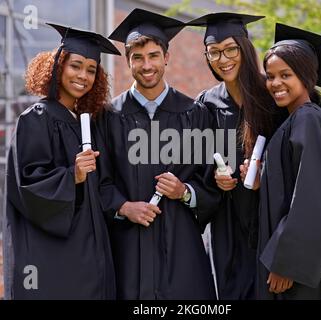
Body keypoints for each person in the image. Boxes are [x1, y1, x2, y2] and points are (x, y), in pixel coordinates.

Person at [97, 8, 218, 300]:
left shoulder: (195, 114)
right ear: (127, 62)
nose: (146, 65)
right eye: (137, 58)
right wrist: (124, 206)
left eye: (153, 56)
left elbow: (212, 183)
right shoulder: (109, 116)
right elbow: (99, 180)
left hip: (181, 249)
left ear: (166, 57)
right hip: (128, 251)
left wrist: (184, 191)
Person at [3, 23, 121, 299]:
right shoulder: (36, 118)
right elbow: (28, 184)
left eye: (91, 70)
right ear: (58, 67)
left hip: (88, 253)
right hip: (55, 258)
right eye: (76, 66)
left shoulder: (84, 125)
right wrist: (73, 176)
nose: (83, 76)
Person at [252, 23, 321, 299]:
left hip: (303, 272)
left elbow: (320, 203)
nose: (275, 83)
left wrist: (287, 262)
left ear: (304, 76)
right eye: (270, 76)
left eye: (285, 75)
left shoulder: (307, 119)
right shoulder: (296, 120)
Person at [186, 13, 286, 300]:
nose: (223, 58)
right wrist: (215, 176)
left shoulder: (273, 96)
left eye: (231, 49)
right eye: (214, 52)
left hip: (267, 217)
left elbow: (294, 163)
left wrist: (263, 178)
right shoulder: (206, 103)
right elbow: (199, 162)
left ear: (244, 47)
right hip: (226, 224)